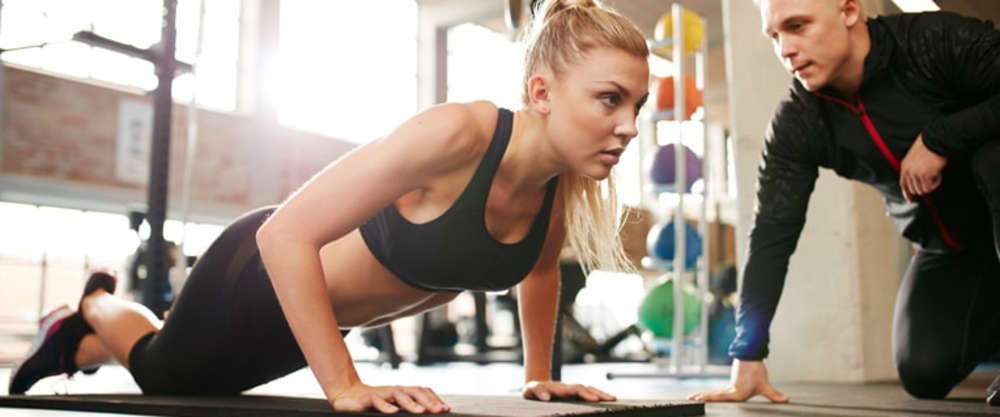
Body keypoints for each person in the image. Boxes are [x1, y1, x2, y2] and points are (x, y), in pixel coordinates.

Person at [7, 0, 651, 413]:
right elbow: (285, 234)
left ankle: (73, 342)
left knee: (198, 384)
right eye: (610, 99)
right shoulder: (459, 135)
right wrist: (344, 385)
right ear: (541, 91)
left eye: (638, 108)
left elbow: (538, 273)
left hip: (316, 322)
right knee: (160, 372)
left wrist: (538, 376)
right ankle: (94, 302)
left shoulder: (557, 190)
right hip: (260, 277)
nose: (629, 125)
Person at [689, 0, 1000, 406]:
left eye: (797, 26)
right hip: (951, 250)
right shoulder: (801, 121)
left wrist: (943, 137)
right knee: (923, 371)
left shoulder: (931, 43)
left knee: (994, 158)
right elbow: (771, 235)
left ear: (849, 11)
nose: (785, 49)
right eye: (775, 35)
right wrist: (747, 354)